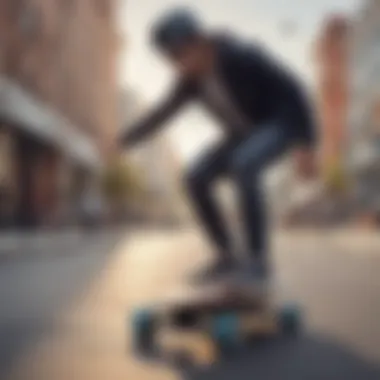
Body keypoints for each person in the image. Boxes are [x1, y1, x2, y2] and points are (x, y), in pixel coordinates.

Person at [120, 8, 317, 286]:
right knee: (194, 177)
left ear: (199, 41)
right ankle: (227, 257)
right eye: (170, 60)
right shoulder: (189, 83)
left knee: (244, 163)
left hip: (279, 124)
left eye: (180, 55)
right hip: (242, 136)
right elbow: (162, 113)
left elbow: (294, 89)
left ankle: (257, 262)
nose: (178, 65)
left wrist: (307, 144)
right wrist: (123, 141)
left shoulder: (242, 55)